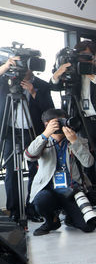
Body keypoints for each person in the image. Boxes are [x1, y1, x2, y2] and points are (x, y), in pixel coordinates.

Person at [50, 41, 96, 199]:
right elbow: (54, 87)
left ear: (95, 57)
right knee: (88, 157)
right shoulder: (74, 73)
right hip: (86, 123)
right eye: (82, 56)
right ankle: (90, 190)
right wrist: (58, 73)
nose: (85, 60)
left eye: (88, 56)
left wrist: (93, 76)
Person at [0, 56, 54, 222]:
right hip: (10, 131)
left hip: (32, 131)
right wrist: (5, 66)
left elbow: (49, 110)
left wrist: (33, 92)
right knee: (11, 171)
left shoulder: (42, 85)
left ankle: (32, 208)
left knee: (35, 170)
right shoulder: (6, 80)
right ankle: (14, 211)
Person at [25, 108, 95, 235]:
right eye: (56, 123)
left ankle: (70, 218)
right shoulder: (42, 142)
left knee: (89, 226)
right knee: (41, 200)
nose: (60, 125)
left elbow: (88, 163)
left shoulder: (77, 140)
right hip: (49, 190)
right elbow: (29, 156)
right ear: (47, 124)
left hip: (72, 190)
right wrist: (45, 134)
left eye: (62, 121)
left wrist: (74, 141)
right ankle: (51, 221)